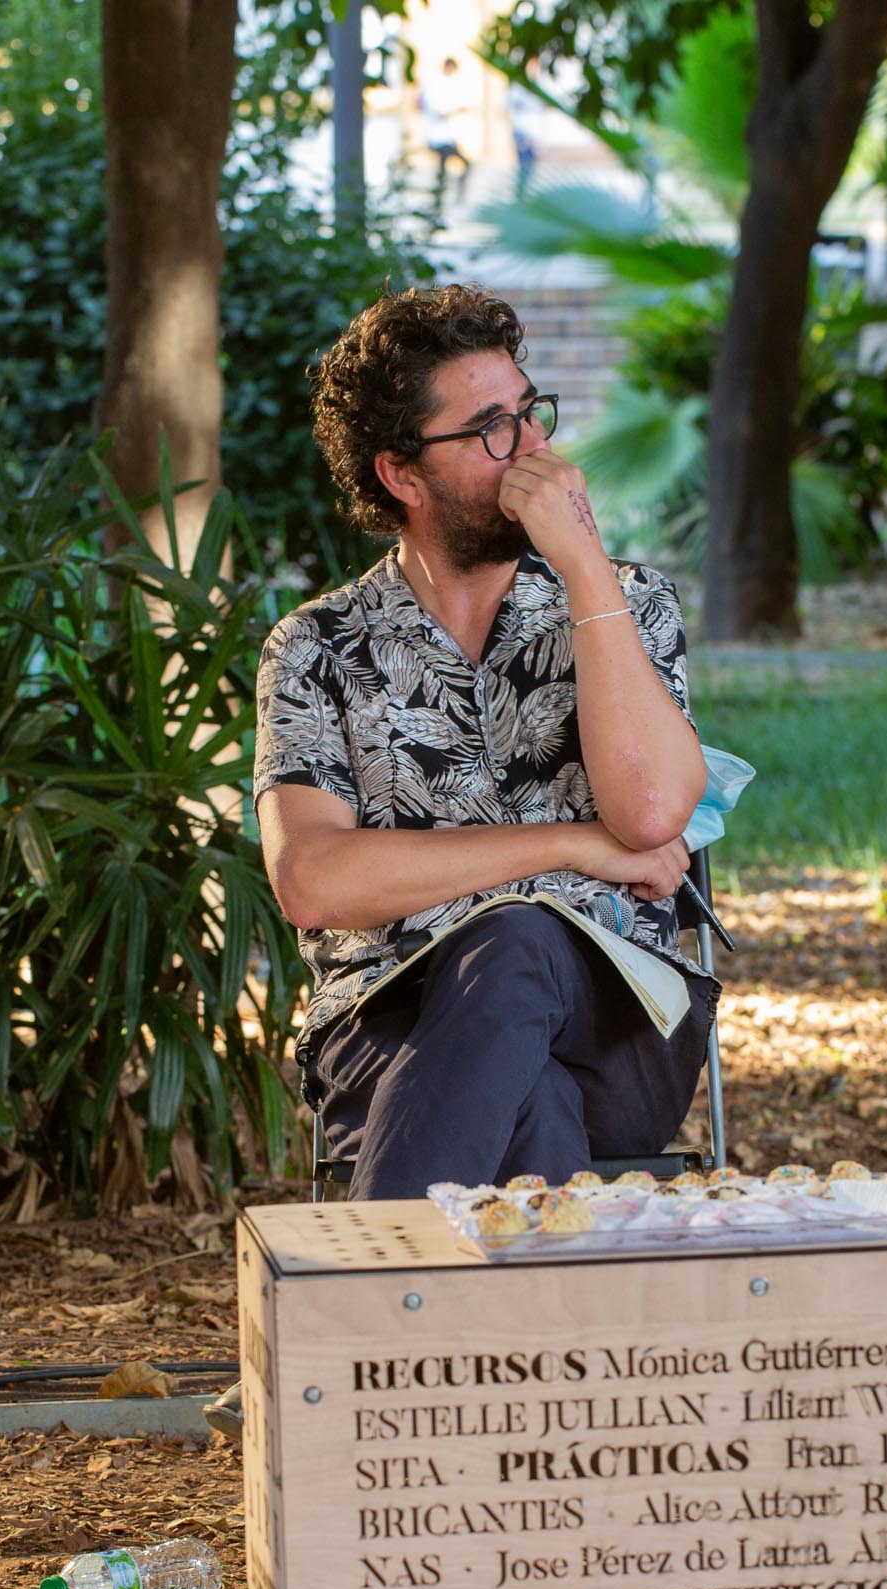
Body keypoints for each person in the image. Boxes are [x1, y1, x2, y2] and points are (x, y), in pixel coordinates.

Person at [260, 284, 713, 1200]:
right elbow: (311, 880)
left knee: (513, 946)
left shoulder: (630, 602)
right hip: (387, 1026)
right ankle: (504, 1298)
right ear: (403, 474)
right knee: (526, 1094)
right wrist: (571, 846)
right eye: (492, 430)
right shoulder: (317, 647)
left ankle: (373, 1275)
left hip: (616, 1029)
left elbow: (652, 814)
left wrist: (584, 566)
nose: (534, 449)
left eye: (531, 412)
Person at [419, 55, 471, 205]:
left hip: (446, 136)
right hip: (438, 137)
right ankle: (442, 198)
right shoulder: (434, 84)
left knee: (445, 167)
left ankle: (442, 198)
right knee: (450, 166)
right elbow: (438, 111)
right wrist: (456, 110)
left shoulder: (447, 84)